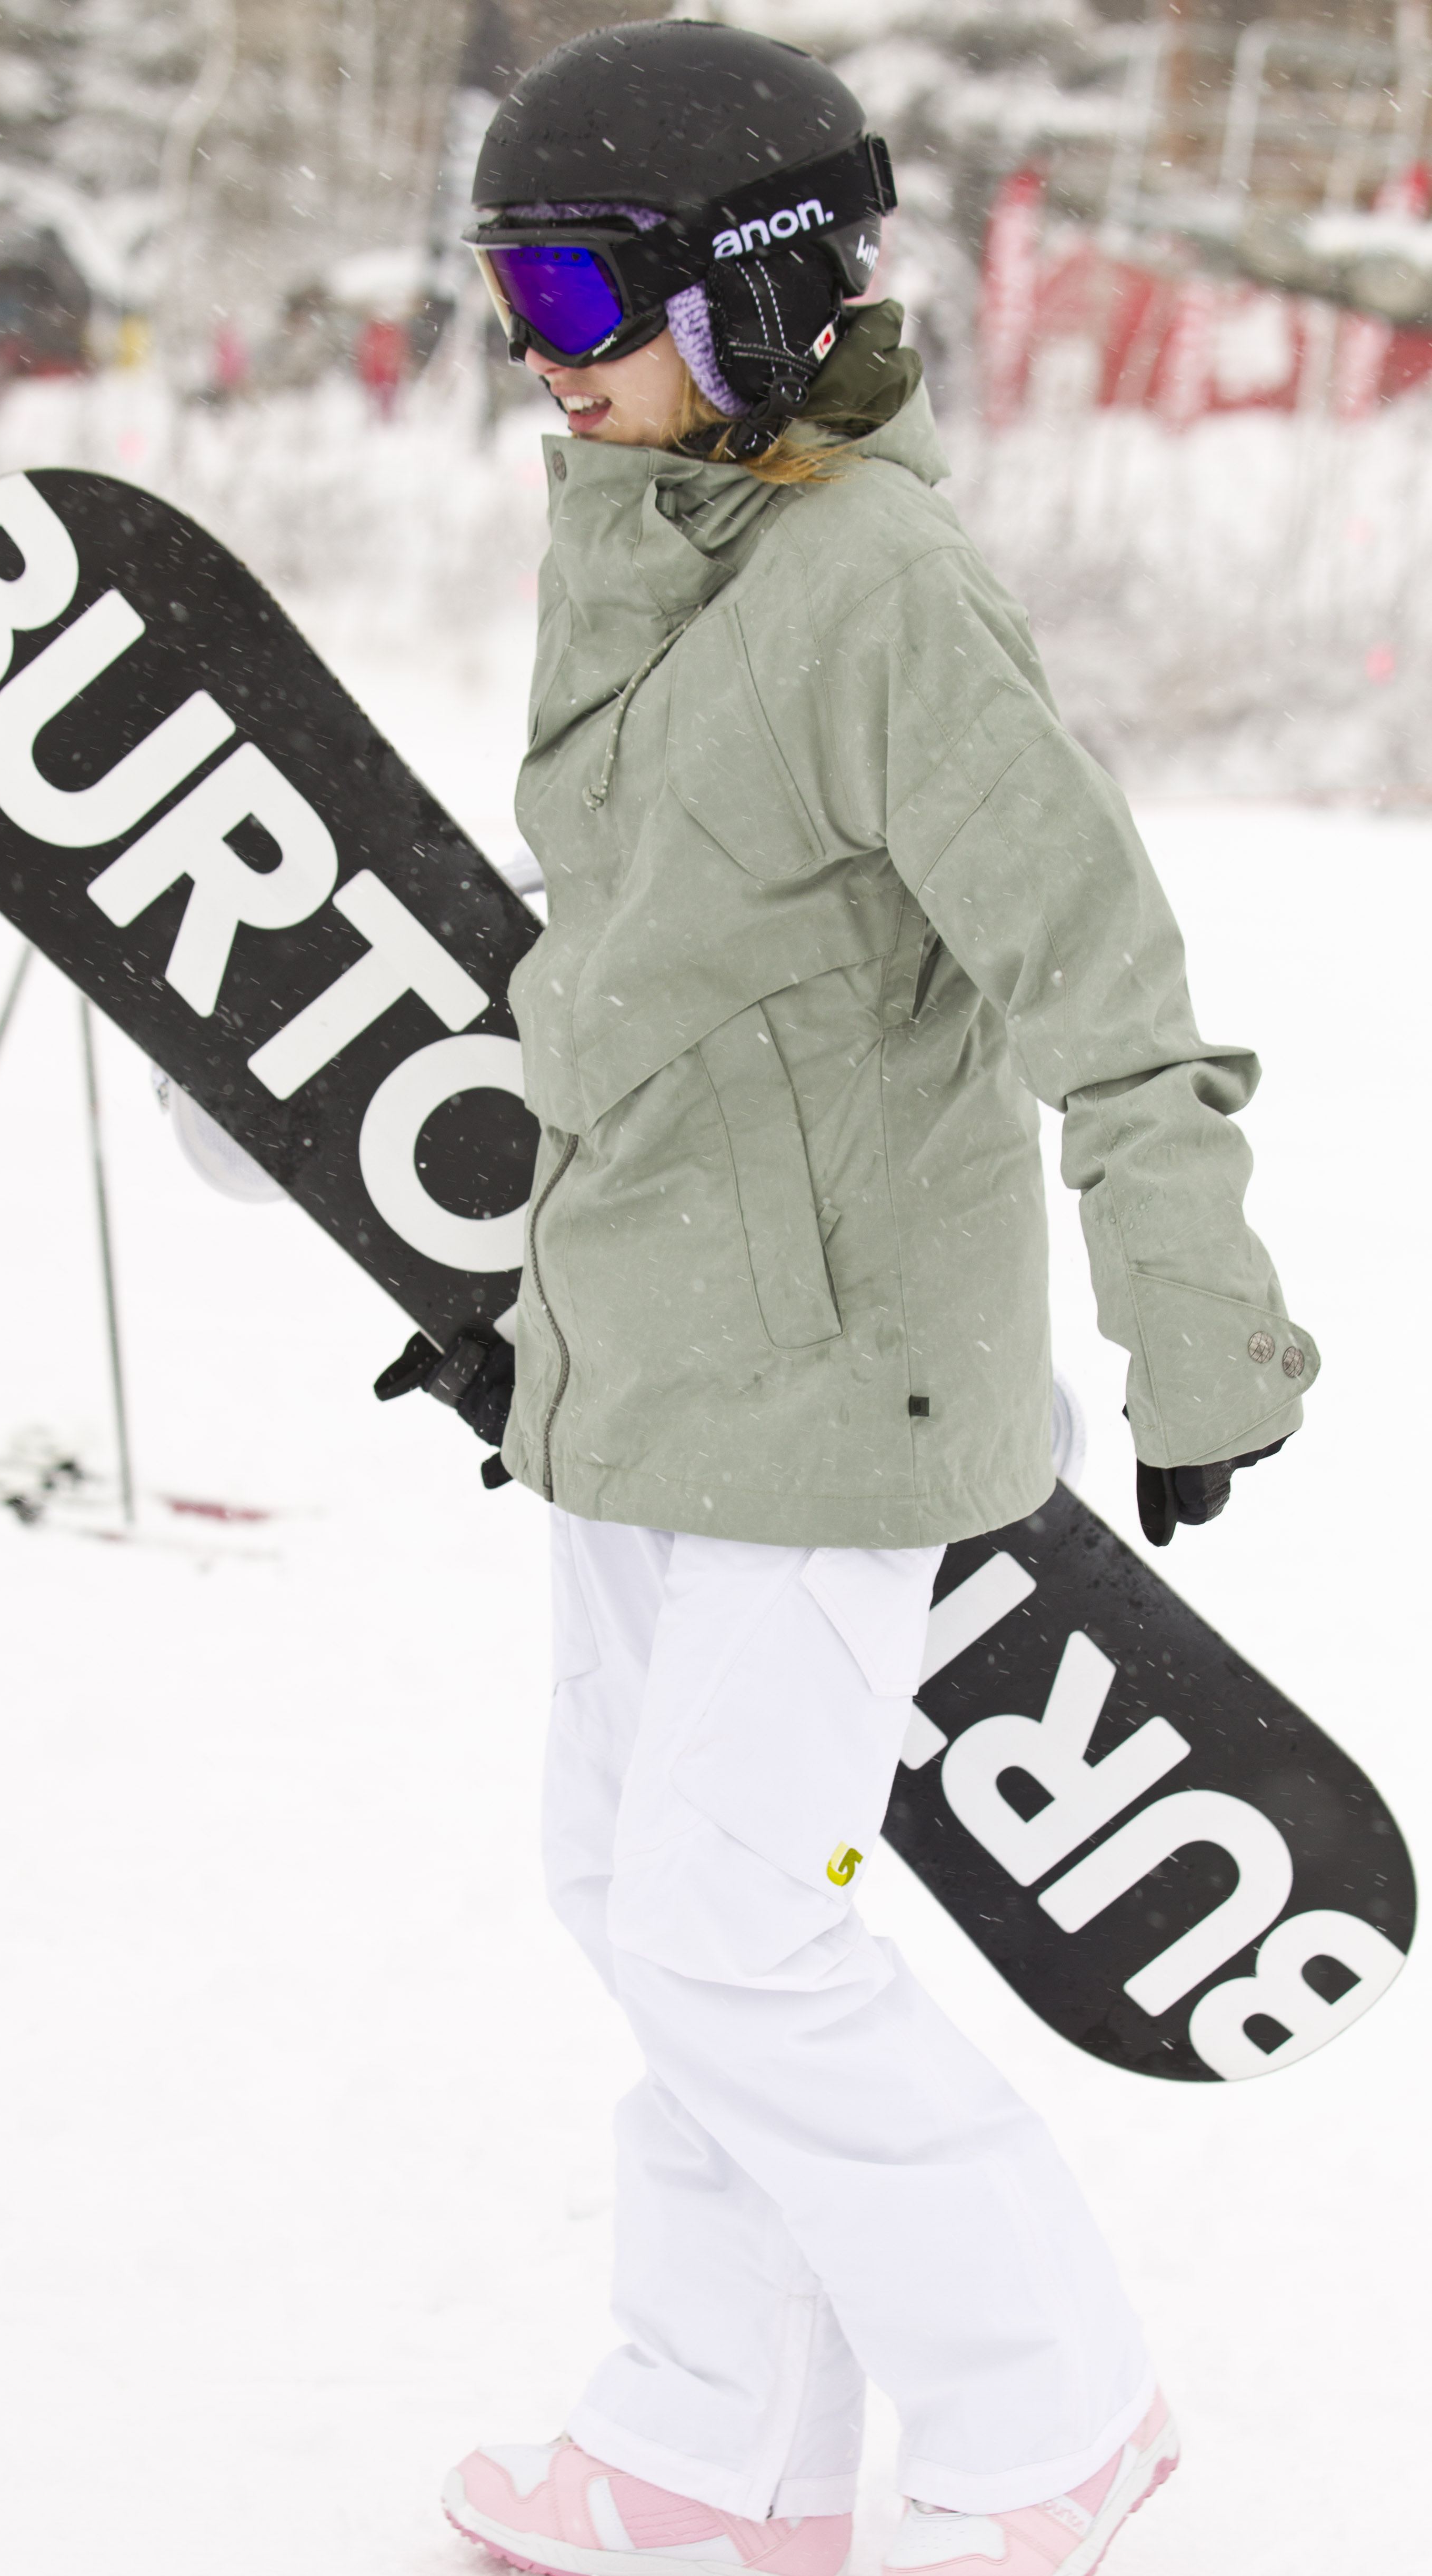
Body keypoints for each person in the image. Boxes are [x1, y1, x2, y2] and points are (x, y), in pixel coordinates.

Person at [412, 22, 1317, 2576]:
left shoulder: (883, 593)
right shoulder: (645, 547)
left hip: (836, 1389)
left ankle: (1060, 2416)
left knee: (734, 1933)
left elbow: (1104, 983)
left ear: (757, 293)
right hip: (642, 1364)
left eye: (578, 294)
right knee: (645, 1911)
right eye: (509, 296)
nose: (543, 356)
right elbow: (645, 963)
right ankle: (717, 2458)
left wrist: (1198, 1327)